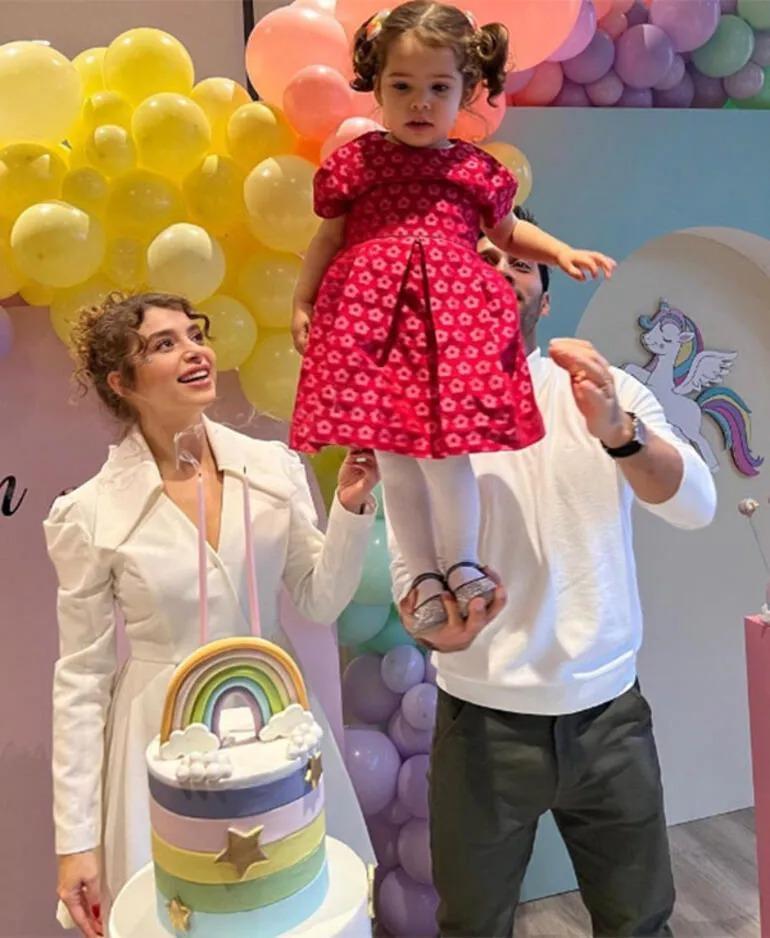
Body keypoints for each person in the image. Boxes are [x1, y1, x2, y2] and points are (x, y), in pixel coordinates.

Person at [392, 208, 718, 937]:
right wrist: (430, 629)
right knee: (472, 926)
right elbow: (410, 569)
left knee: (639, 923)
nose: (500, 272)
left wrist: (619, 433)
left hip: (609, 716)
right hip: (480, 723)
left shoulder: (607, 393)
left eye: (519, 263)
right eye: (481, 259)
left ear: (544, 299)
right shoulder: (421, 412)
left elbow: (697, 505)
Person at [44, 292, 379, 938]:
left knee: (294, 910)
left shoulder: (274, 468)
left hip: (278, 722)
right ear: (121, 383)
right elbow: (81, 682)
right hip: (163, 739)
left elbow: (319, 598)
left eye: (194, 334)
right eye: (163, 344)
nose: (195, 351)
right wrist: (76, 841)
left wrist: (351, 508)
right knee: (190, 919)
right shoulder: (90, 514)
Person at [288, 0, 615, 636]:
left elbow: (509, 231)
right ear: (376, 88)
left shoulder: (473, 170)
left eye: (439, 88)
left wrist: (561, 251)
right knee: (395, 460)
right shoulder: (360, 164)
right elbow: (327, 239)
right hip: (378, 328)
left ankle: (461, 561)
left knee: (444, 457)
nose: (420, 102)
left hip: (449, 330)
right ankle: (421, 573)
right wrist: (303, 301)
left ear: (467, 91)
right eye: (401, 86)